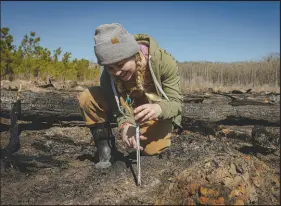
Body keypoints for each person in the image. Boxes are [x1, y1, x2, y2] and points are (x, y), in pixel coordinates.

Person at [77, 23, 183, 169]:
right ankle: (106, 149)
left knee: (152, 150)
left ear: (133, 53)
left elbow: (177, 103)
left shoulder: (163, 61)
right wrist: (126, 125)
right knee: (87, 97)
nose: (117, 72)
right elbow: (117, 108)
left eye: (120, 64)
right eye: (110, 68)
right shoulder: (109, 76)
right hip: (130, 112)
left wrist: (159, 108)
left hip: (157, 115)